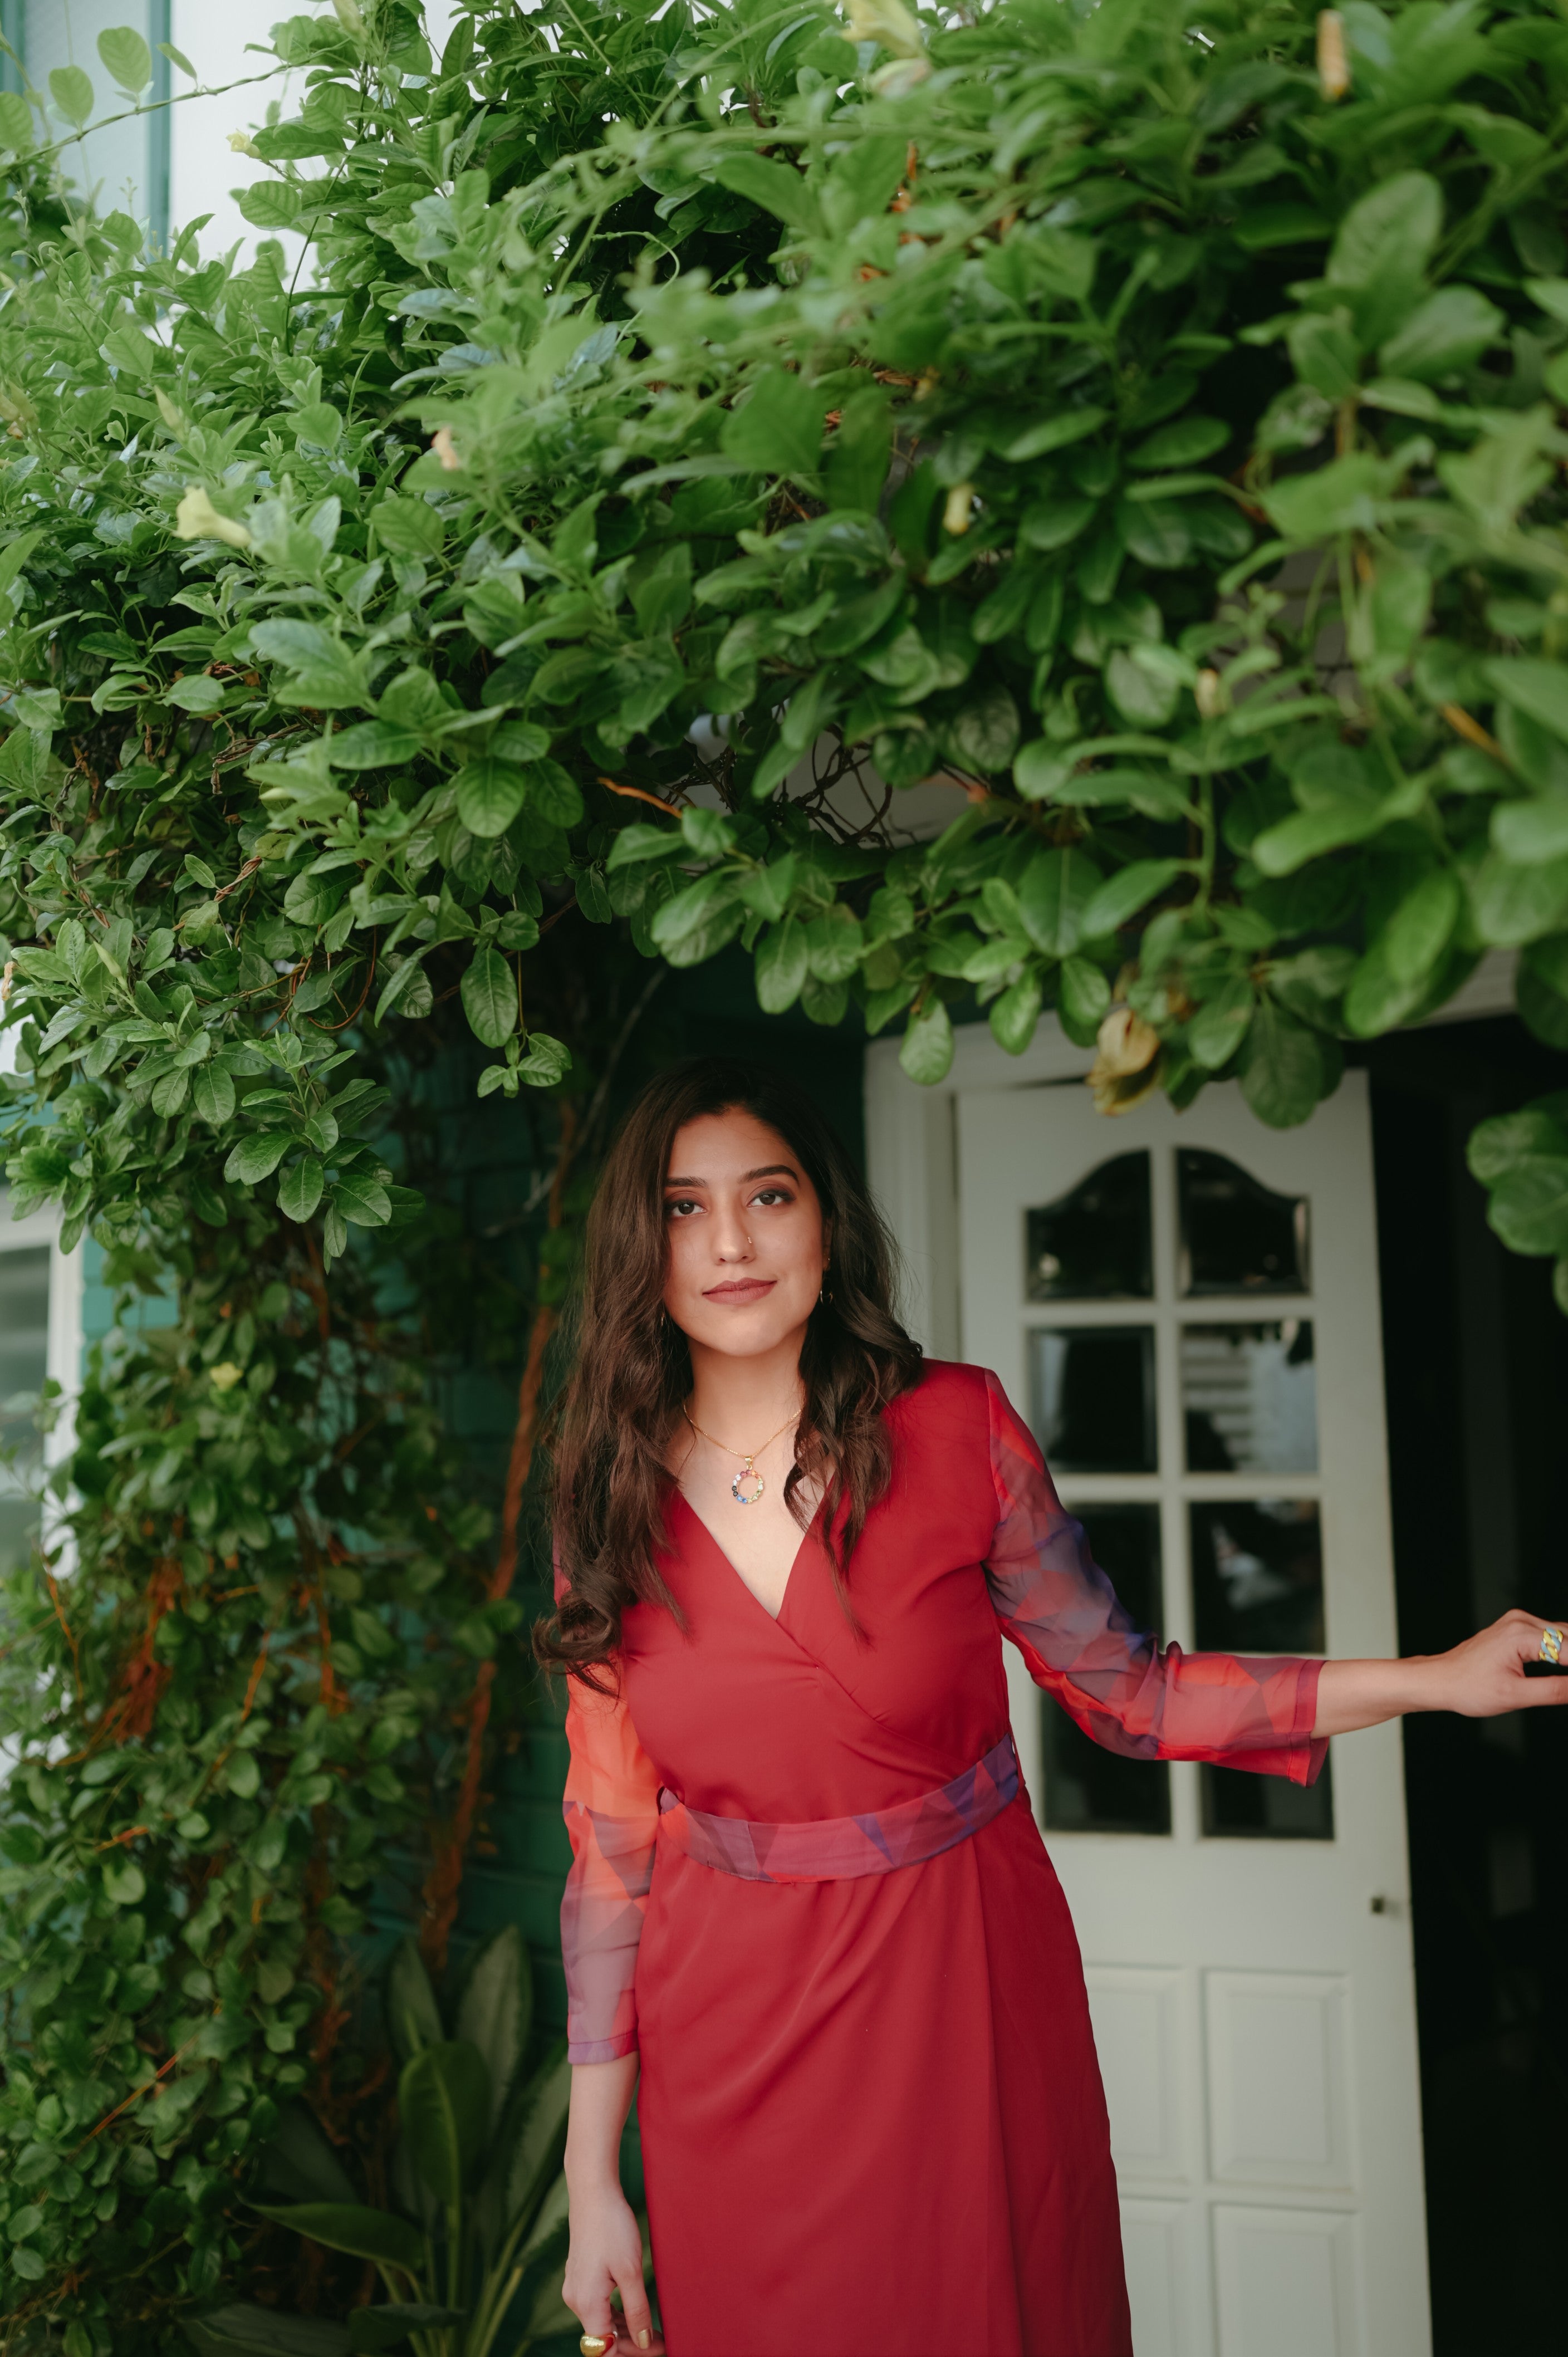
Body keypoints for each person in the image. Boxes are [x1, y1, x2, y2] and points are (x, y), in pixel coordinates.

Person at [536, 1057, 1566, 2357]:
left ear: (826, 1222)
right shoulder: (605, 1504)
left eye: (769, 1194)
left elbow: (1131, 1693)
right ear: (642, 1246)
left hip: (963, 1987)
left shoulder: (958, 1429)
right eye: (684, 1208)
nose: (731, 1241)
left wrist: (1434, 1676)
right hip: (730, 2046)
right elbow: (610, 1857)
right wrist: (590, 2186)